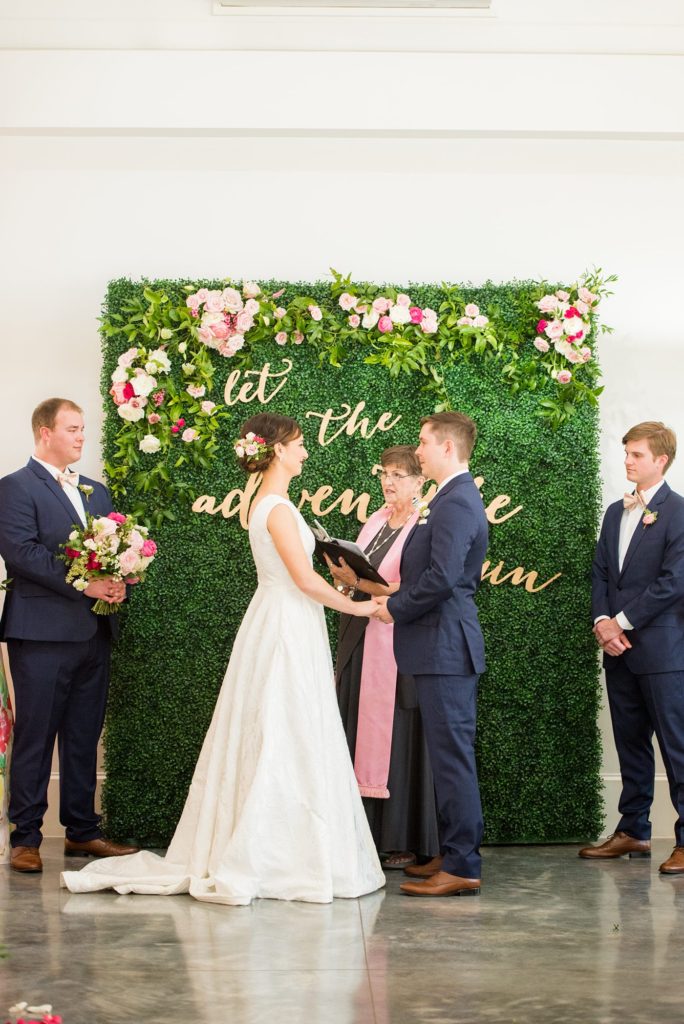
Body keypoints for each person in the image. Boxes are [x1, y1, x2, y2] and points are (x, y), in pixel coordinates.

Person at [61, 413, 386, 905]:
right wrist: (360, 606)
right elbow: (304, 581)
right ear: (277, 449)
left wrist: (351, 582)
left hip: (283, 621)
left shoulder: (270, 503)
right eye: (297, 444)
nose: (303, 452)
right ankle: (280, 853)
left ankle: (290, 844)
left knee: (287, 725)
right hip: (283, 624)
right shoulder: (276, 508)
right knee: (285, 725)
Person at [0, 398, 139, 873]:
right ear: (44, 433)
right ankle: (25, 839)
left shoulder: (96, 491)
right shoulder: (15, 488)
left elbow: (114, 549)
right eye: (72, 429)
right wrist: (86, 582)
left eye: (83, 429)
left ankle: (83, 832)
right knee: (36, 736)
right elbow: (21, 554)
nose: (82, 436)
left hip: (94, 632)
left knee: (83, 736)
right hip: (39, 634)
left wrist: (121, 578)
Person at [374, 411, 489, 897]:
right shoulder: (445, 498)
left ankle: (463, 864)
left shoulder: (457, 501)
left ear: (446, 448)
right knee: (446, 757)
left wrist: (394, 607)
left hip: (446, 647)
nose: (416, 451)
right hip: (435, 645)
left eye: (422, 443)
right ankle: (452, 849)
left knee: (453, 758)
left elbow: (443, 578)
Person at [580, 421, 684, 874]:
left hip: (664, 652)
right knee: (630, 743)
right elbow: (602, 573)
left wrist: (621, 621)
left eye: (636, 455)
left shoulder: (679, 513)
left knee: (677, 746)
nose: (627, 461)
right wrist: (603, 621)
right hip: (617, 649)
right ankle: (634, 831)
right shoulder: (613, 512)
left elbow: (674, 583)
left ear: (660, 460)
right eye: (626, 453)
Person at [329, 445, 439, 869]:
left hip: (398, 641)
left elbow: (413, 587)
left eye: (399, 475)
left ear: (419, 482)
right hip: (360, 635)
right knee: (356, 725)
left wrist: (362, 583)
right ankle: (363, 833)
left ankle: (403, 837)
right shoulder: (375, 520)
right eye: (385, 474)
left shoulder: (422, 523)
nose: (389, 482)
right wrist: (344, 581)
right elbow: (361, 577)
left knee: (399, 733)